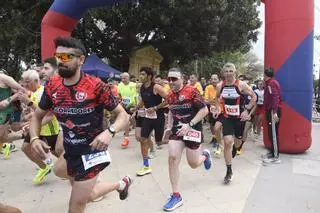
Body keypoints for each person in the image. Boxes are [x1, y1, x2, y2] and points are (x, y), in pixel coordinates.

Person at [29, 36, 132, 213]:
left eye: (67, 57)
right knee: (79, 187)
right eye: (58, 57)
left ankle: (89, 182)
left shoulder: (95, 85)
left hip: (92, 151)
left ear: (81, 60)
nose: (61, 61)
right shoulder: (53, 85)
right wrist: (34, 138)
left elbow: (123, 115)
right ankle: (120, 184)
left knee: (75, 206)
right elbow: (37, 116)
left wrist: (110, 131)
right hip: (71, 151)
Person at [163, 68, 212, 211]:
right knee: (172, 157)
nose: (171, 82)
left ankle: (205, 156)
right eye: (169, 79)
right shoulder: (170, 95)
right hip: (177, 131)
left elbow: (204, 110)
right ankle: (176, 195)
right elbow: (171, 111)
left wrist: (189, 125)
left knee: (194, 164)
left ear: (182, 79)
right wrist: (169, 126)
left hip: (193, 131)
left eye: (174, 79)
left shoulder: (192, 91)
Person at [212, 63, 256, 184]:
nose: (229, 73)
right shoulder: (220, 85)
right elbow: (216, 98)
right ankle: (229, 171)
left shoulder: (241, 85)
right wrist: (217, 108)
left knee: (237, 143)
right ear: (223, 73)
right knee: (227, 142)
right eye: (226, 71)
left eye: (231, 71)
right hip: (227, 117)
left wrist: (247, 111)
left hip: (240, 119)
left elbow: (254, 96)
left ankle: (236, 149)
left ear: (235, 72)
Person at [134, 67, 168, 176]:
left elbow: (169, 99)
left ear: (149, 76)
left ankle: (172, 139)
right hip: (148, 118)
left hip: (158, 117)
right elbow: (143, 100)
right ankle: (146, 166)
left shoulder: (156, 87)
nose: (140, 76)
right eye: (140, 74)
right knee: (143, 139)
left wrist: (156, 108)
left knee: (159, 142)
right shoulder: (142, 88)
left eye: (143, 74)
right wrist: (136, 108)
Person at [262, 68, 282, 164]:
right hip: (270, 110)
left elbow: (275, 97)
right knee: (271, 132)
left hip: (272, 111)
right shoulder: (270, 83)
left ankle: (275, 156)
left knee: (273, 133)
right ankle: (272, 152)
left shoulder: (271, 83)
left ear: (265, 74)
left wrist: (274, 112)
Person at [117, 72, 137, 148]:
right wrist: (120, 100)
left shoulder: (133, 85)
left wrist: (136, 106)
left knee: (133, 121)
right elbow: (119, 94)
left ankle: (135, 128)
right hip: (124, 105)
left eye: (124, 78)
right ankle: (126, 138)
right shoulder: (120, 85)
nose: (122, 80)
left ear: (128, 78)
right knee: (126, 121)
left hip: (133, 106)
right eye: (121, 78)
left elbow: (137, 95)